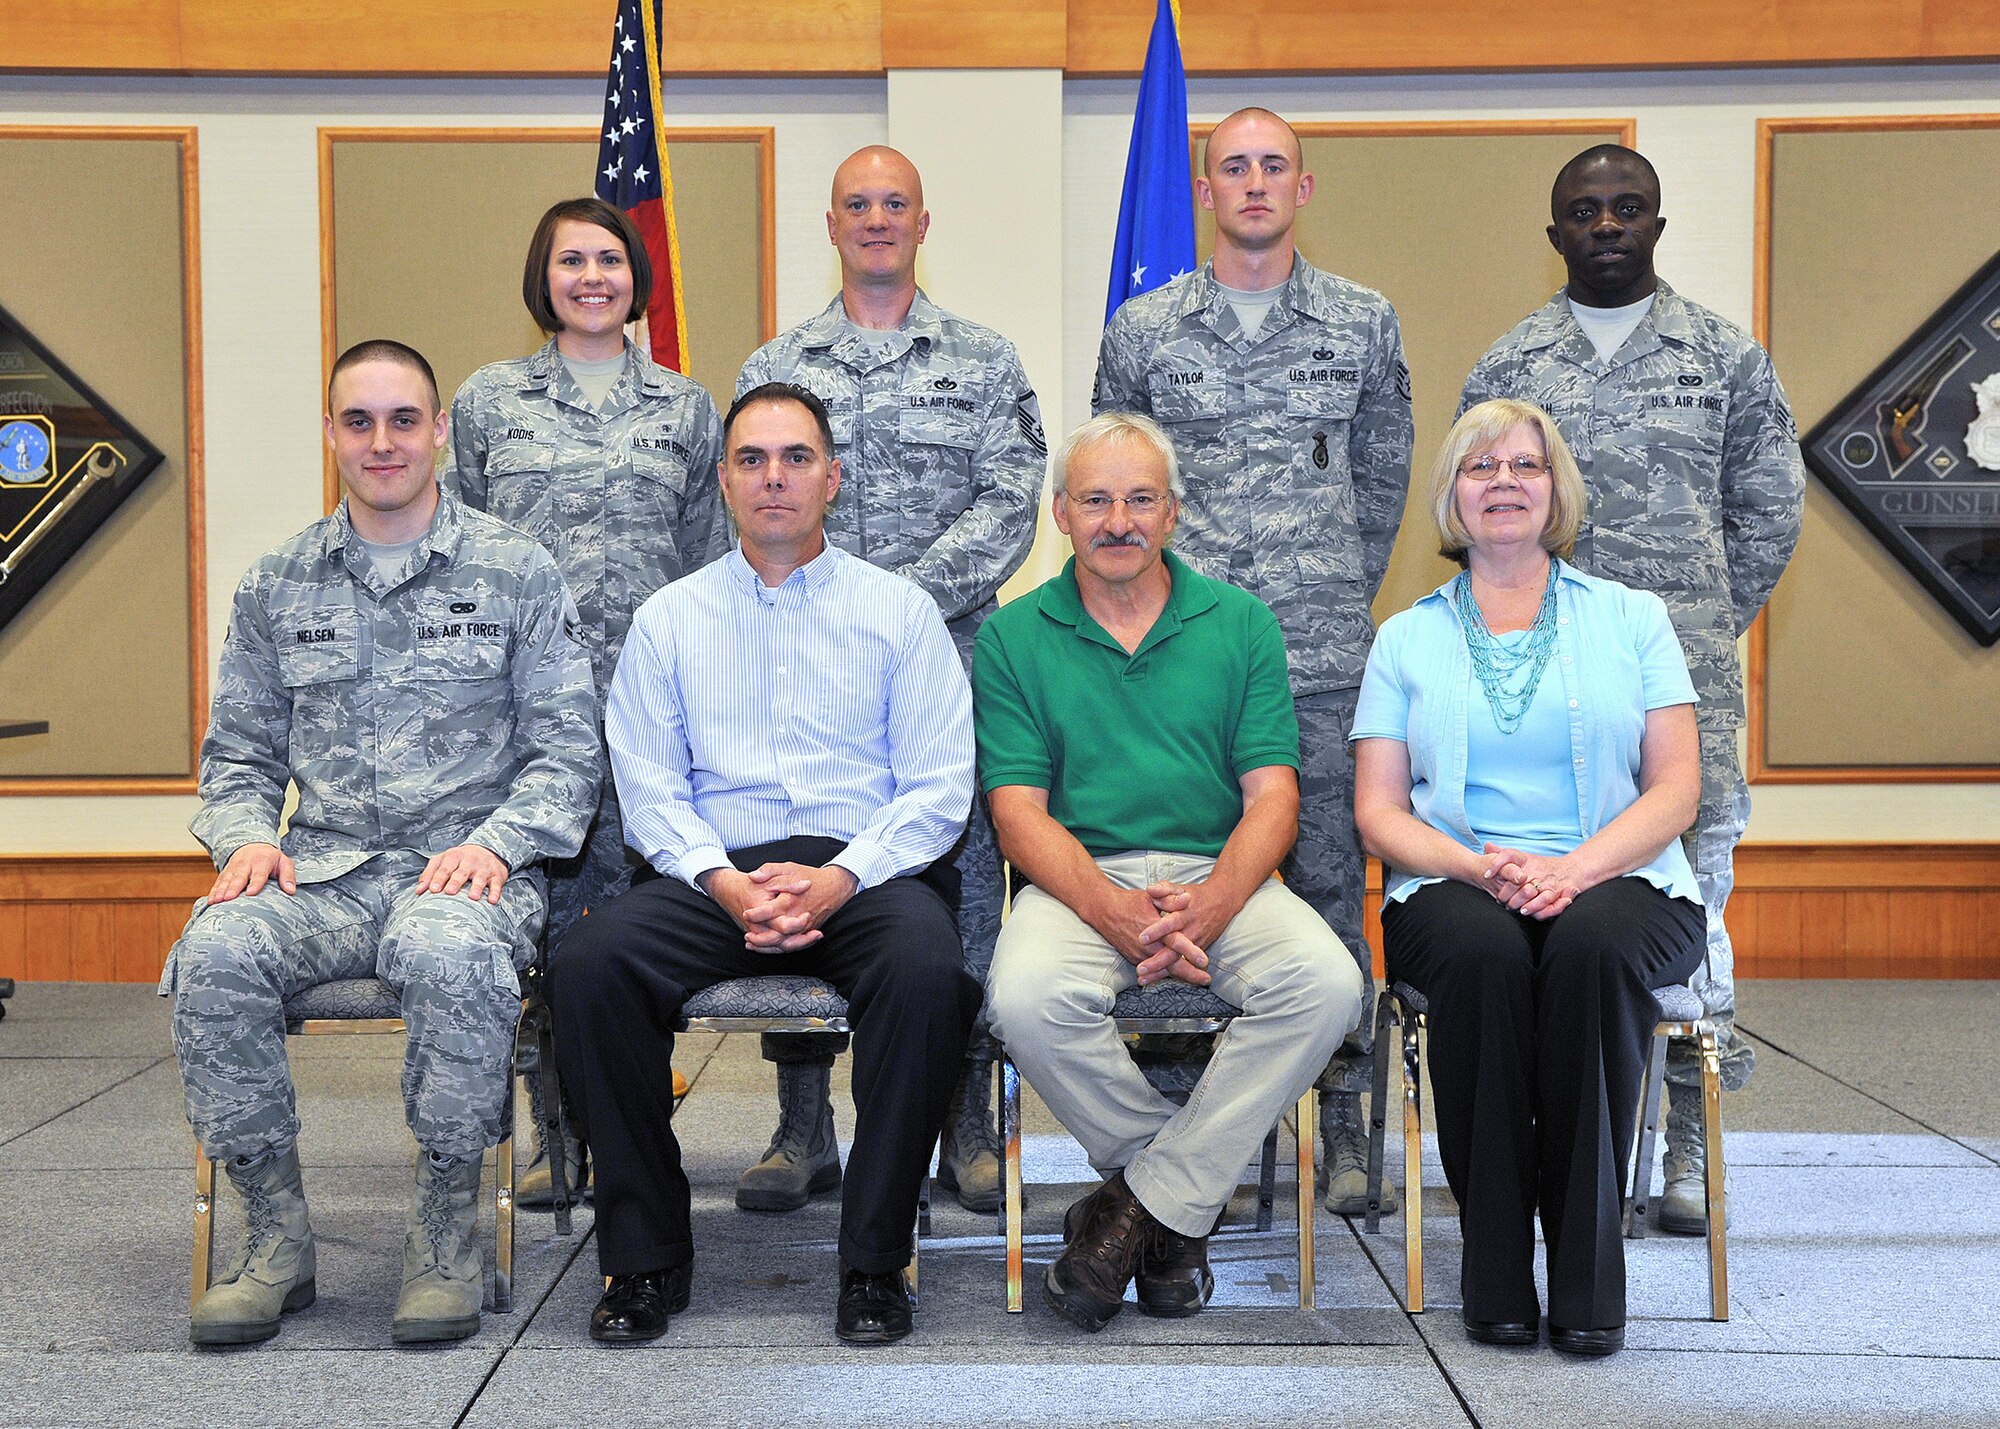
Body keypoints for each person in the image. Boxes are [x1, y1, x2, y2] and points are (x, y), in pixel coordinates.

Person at [162, 340, 601, 1347]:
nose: (382, 441)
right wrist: (241, 842)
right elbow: (234, 757)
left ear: (440, 430)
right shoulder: (279, 581)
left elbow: (567, 754)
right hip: (318, 872)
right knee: (217, 946)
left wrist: (499, 842)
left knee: (449, 953)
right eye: (358, 422)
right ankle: (275, 1240)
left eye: (404, 419)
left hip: (464, 869)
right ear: (330, 436)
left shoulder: (515, 569)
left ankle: (446, 1235)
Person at [550, 382, 982, 1347]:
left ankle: (875, 1263)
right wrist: (725, 880)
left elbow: (937, 788)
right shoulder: (670, 618)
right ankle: (646, 1258)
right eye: (752, 459)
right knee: (590, 965)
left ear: (832, 477)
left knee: (927, 971)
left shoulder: (900, 612)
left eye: (795, 458)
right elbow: (650, 787)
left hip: (865, 870)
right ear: (724, 481)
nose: (774, 477)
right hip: (712, 868)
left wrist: (843, 876)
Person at [1459, 144, 1804, 1232]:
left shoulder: (1724, 357)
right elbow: (1477, 516)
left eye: (1626, 209)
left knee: (1691, 904)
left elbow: (1769, 513)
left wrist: (1683, 632)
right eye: (1582, 211)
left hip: (1681, 691)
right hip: (1531, 694)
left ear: (1655, 224)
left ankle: (1688, 1143)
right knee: (1556, 910)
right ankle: (1574, 1135)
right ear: (1552, 232)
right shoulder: (1509, 365)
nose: (1605, 224)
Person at [1092, 106, 1414, 1213]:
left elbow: (1380, 490)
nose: (1254, 183)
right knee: (1179, 876)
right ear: (1205, 190)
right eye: (1232, 167)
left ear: (1302, 187)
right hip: (1169, 657)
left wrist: (1320, 587)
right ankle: (1189, 1132)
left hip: (1316, 652)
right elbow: (1116, 490)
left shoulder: (1364, 324)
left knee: (1328, 887)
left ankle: (1344, 1129)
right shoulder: (1143, 329)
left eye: (1273, 165)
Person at [979, 413, 1362, 1331]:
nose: (1120, 520)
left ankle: (1128, 1209)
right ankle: (1175, 1202)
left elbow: (1272, 796)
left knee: (1328, 984)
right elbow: (1017, 814)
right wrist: (1113, 910)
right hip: (1079, 877)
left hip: (1220, 872)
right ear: (1061, 514)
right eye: (1097, 500)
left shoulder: (1240, 623)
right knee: (1024, 997)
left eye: (1140, 499)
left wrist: (1213, 904)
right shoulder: (1014, 635)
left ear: (1174, 513)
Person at [1352, 398, 1706, 1356]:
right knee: (1484, 960)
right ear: (1451, 498)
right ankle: (1498, 1269)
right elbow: (1380, 811)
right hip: (1455, 882)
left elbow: (1677, 789)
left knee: (1590, 951)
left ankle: (1590, 1281)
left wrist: (1574, 870)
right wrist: (1478, 863)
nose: (1503, 482)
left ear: (1557, 492)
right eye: (1479, 467)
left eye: (1525, 465)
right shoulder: (1405, 638)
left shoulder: (1636, 620)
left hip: (1624, 879)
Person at [730, 145, 1044, 1216]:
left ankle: (964, 1117)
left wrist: (893, 605)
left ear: (923, 221)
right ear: (829, 224)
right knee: (792, 864)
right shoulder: (775, 365)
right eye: (856, 204)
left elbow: (1009, 503)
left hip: (947, 662)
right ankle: (801, 1121)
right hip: (796, 673)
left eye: (893, 204)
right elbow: (751, 506)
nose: (875, 219)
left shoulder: (985, 360)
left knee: (957, 884)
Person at [445, 196, 724, 1208]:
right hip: (522, 714)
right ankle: (552, 1134)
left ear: (635, 275)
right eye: (571, 260)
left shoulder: (686, 408)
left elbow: (707, 567)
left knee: (632, 922)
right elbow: (457, 559)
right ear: (544, 276)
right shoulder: (487, 401)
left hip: (650, 711)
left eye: (610, 258)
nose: (592, 276)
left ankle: (632, 1128)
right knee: (545, 924)